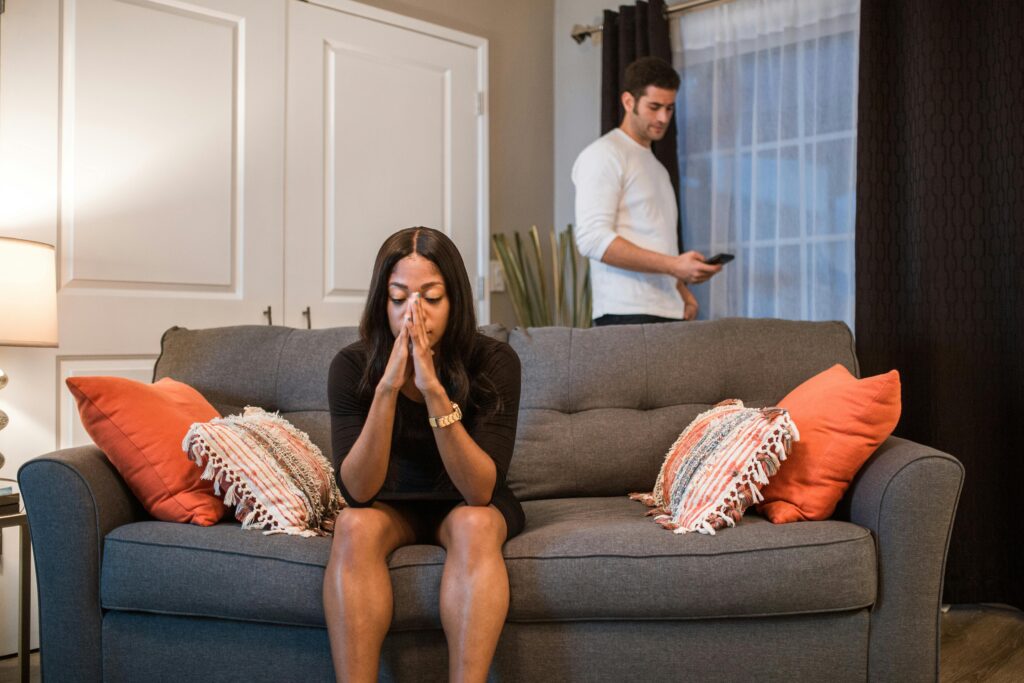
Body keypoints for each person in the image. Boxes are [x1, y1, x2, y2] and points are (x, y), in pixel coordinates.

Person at [323, 227, 524, 683]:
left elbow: (478, 491)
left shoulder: (495, 362)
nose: (415, 313)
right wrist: (389, 387)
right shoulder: (351, 366)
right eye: (399, 298)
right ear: (382, 303)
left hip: (467, 500)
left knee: (476, 522)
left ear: (455, 301)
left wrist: (432, 389)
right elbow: (357, 490)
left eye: (431, 297)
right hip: (389, 500)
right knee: (352, 525)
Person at [572, 56, 722, 326]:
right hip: (626, 312)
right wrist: (675, 266)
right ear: (629, 102)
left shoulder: (656, 167)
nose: (663, 118)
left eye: (669, 108)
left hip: (667, 311)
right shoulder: (604, 154)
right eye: (654, 107)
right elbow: (592, 238)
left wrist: (680, 290)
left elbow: (653, 238)